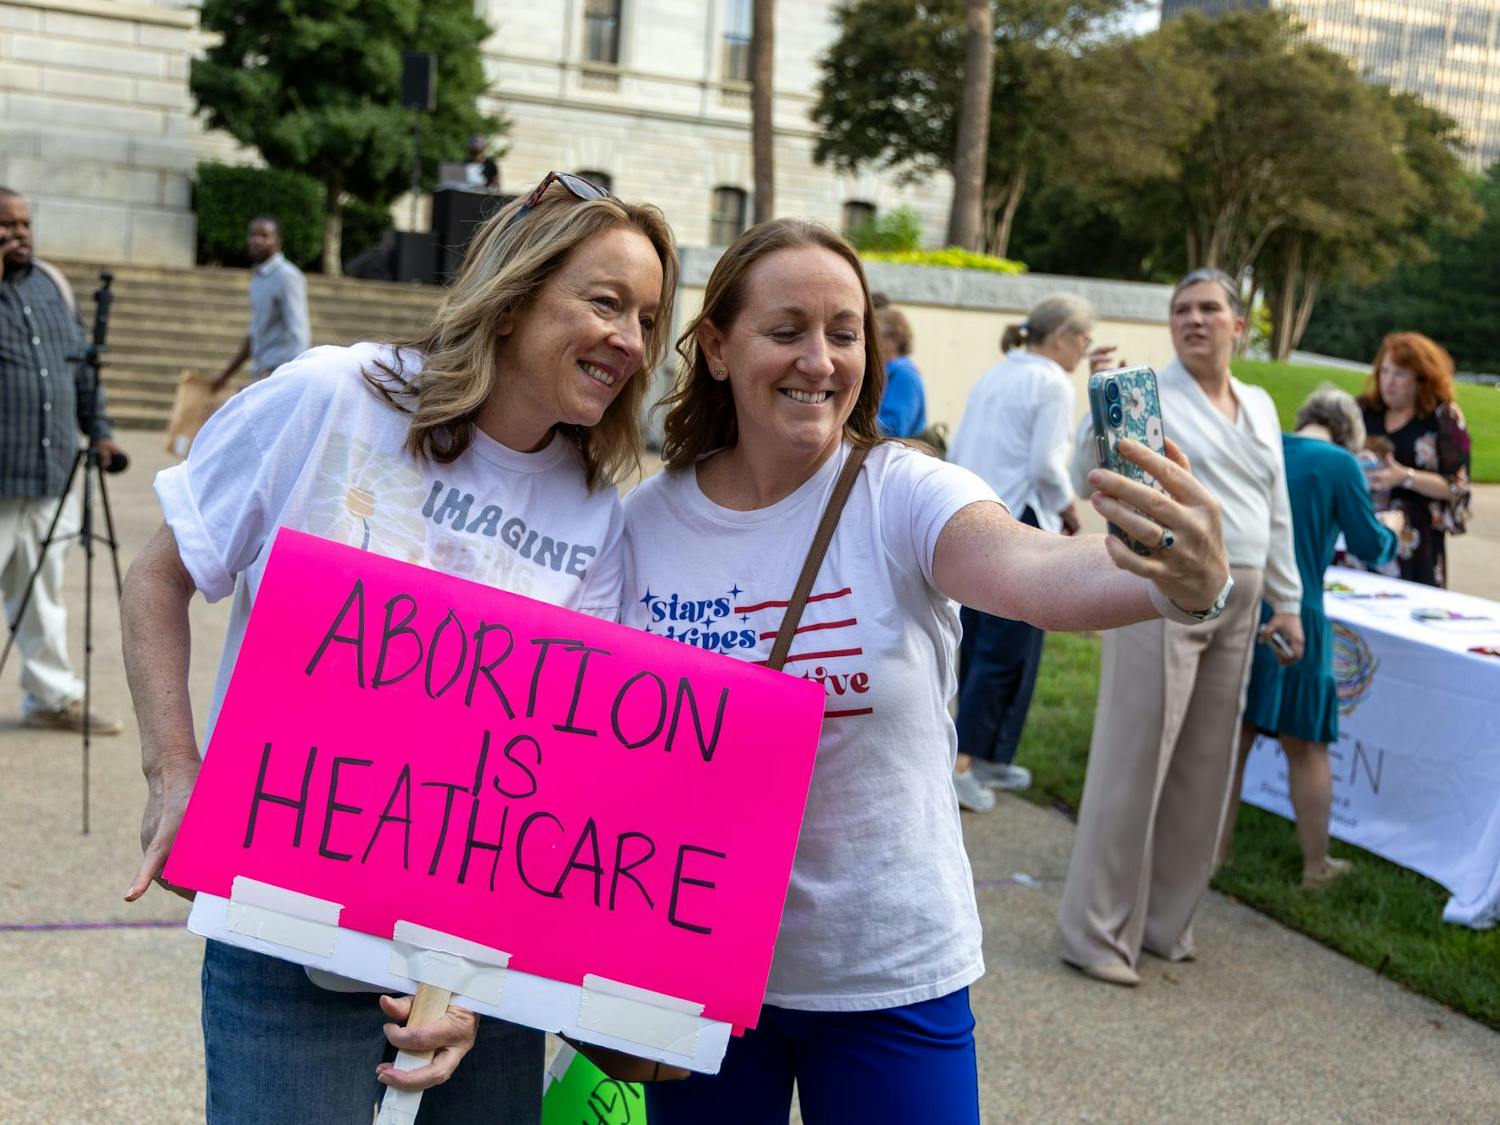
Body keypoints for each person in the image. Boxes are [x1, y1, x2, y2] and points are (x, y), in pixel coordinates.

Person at [621, 219, 1230, 1124]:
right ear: (716, 347)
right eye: (786, 330)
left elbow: (1031, 572)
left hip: (887, 969)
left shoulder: (902, 490)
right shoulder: (646, 521)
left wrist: (1177, 578)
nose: (820, 361)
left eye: (845, 331)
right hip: (699, 967)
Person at [120, 171, 678, 1124]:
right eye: (604, 301)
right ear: (513, 296)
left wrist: (471, 992)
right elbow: (158, 575)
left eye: (647, 317)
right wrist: (178, 772)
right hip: (282, 934)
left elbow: (564, 765)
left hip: (480, 970)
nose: (630, 339)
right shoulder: (333, 395)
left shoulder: (594, 512)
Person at [1057, 267, 1302, 988]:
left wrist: (1287, 599)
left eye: (1208, 308)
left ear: (1239, 324)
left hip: (1245, 593)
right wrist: (1098, 403)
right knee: (1134, 758)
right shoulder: (1145, 392)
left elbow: (1276, 506)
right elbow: (1085, 474)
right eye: (1181, 309)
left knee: (1206, 762)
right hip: (1162, 587)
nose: (1193, 319)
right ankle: (1095, 932)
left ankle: (1165, 922)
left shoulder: (1258, 403)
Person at [1219, 386, 1400, 889]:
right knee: (1307, 745)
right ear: (1349, 434)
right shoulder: (1341, 463)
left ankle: (1214, 852)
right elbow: (1368, 543)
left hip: (1243, 604)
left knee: (1234, 737)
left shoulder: (1262, 443)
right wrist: (1393, 528)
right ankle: (1315, 866)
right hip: (1301, 612)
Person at [946, 295, 1118, 808]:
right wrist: (1068, 509)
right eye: (1083, 340)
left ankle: (989, 755)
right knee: (1006, 651)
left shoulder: (1000, 372)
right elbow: (1046, 464)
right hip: (1015, 514)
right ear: (1063, 336)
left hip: (972, 510)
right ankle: (960, 767)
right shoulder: (1051, 383)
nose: (1083, 350)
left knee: (979, 644)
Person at [0, 186, 124, 735]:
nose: (18, 235)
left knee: (44, 592)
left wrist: (100, 432)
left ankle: (51, 697)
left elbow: (80, 369)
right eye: (5, 226)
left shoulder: (51, 285)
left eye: (24, 224)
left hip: (52, 473)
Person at [1356, 331, 1471, 588]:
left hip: (1415, 543)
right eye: (1384, 372)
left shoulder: (1443, 418)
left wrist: (1406, 477)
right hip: (1365, 531)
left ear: (1422, 379)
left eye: (1399, 374)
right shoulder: (1364, 411)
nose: (1389, 382)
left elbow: (1457, 487)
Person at [212, 216, 311, 389]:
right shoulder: (259, 276)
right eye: (253, 235)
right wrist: (226, 375)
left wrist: (295, 375)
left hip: (280, 373)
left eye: (264, 235)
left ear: (278, 241)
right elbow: (256, 331)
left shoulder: (287, 276)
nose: (256, 240)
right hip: (261, 371)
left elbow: (299, 331)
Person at [873, 306, 927, 438]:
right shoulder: (890, 371)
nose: (871, 342)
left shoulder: (904, 375)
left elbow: (894, 429)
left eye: (876, 336)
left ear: (895, 339)